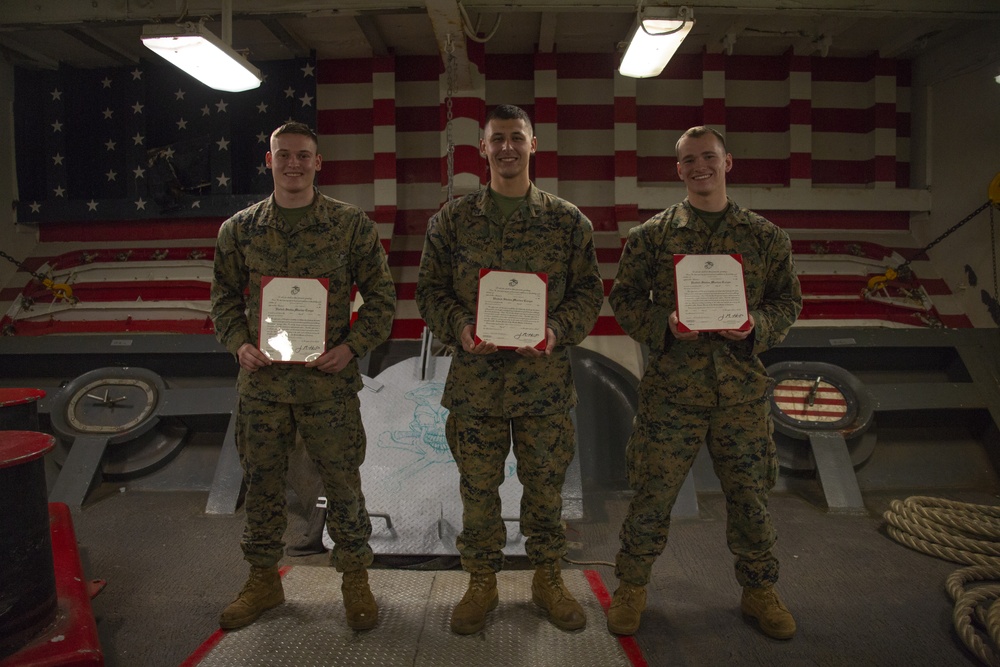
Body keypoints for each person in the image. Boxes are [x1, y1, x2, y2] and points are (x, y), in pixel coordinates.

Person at [606, 126, 803, 640]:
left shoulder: (765, 237)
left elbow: (787, 302)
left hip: (739, 393)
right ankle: (631, 587)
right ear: (678, 169)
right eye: (689, 159)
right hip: (672, 393)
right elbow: (625, 299)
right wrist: (662, 325)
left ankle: (760, 589)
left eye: (709, 157)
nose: (700, 167)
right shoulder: (652, 236)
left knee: (750, 498)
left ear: (728, 162)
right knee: (652, 495)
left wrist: (755, 326)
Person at [416, 104, 604, 635]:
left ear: (533, 144)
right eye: (497, 138)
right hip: (476, 386)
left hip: (543, 385)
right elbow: (428, 293)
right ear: (483, 147)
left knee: (545, 489)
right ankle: (481, 582)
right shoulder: (451, 221)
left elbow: (590, 294)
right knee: (478, 490)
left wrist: (556, 332)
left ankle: (547, 578)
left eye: (516, 138)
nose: (506, 148)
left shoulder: (568, 222)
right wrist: (460, 328)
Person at [210, 121, 396, 632]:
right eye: (284, 155)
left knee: (343, 484)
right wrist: (238, 343)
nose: (294, 163)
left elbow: (383, 298)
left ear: (319, 163)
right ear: (268, 162)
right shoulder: (240, 230)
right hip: (264, 386)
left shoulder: (350, 225)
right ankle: (263, 580)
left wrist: (352, 347)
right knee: (264, 484)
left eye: (304, 155)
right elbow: (224, 297)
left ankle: (355, 581)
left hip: (327, 387)